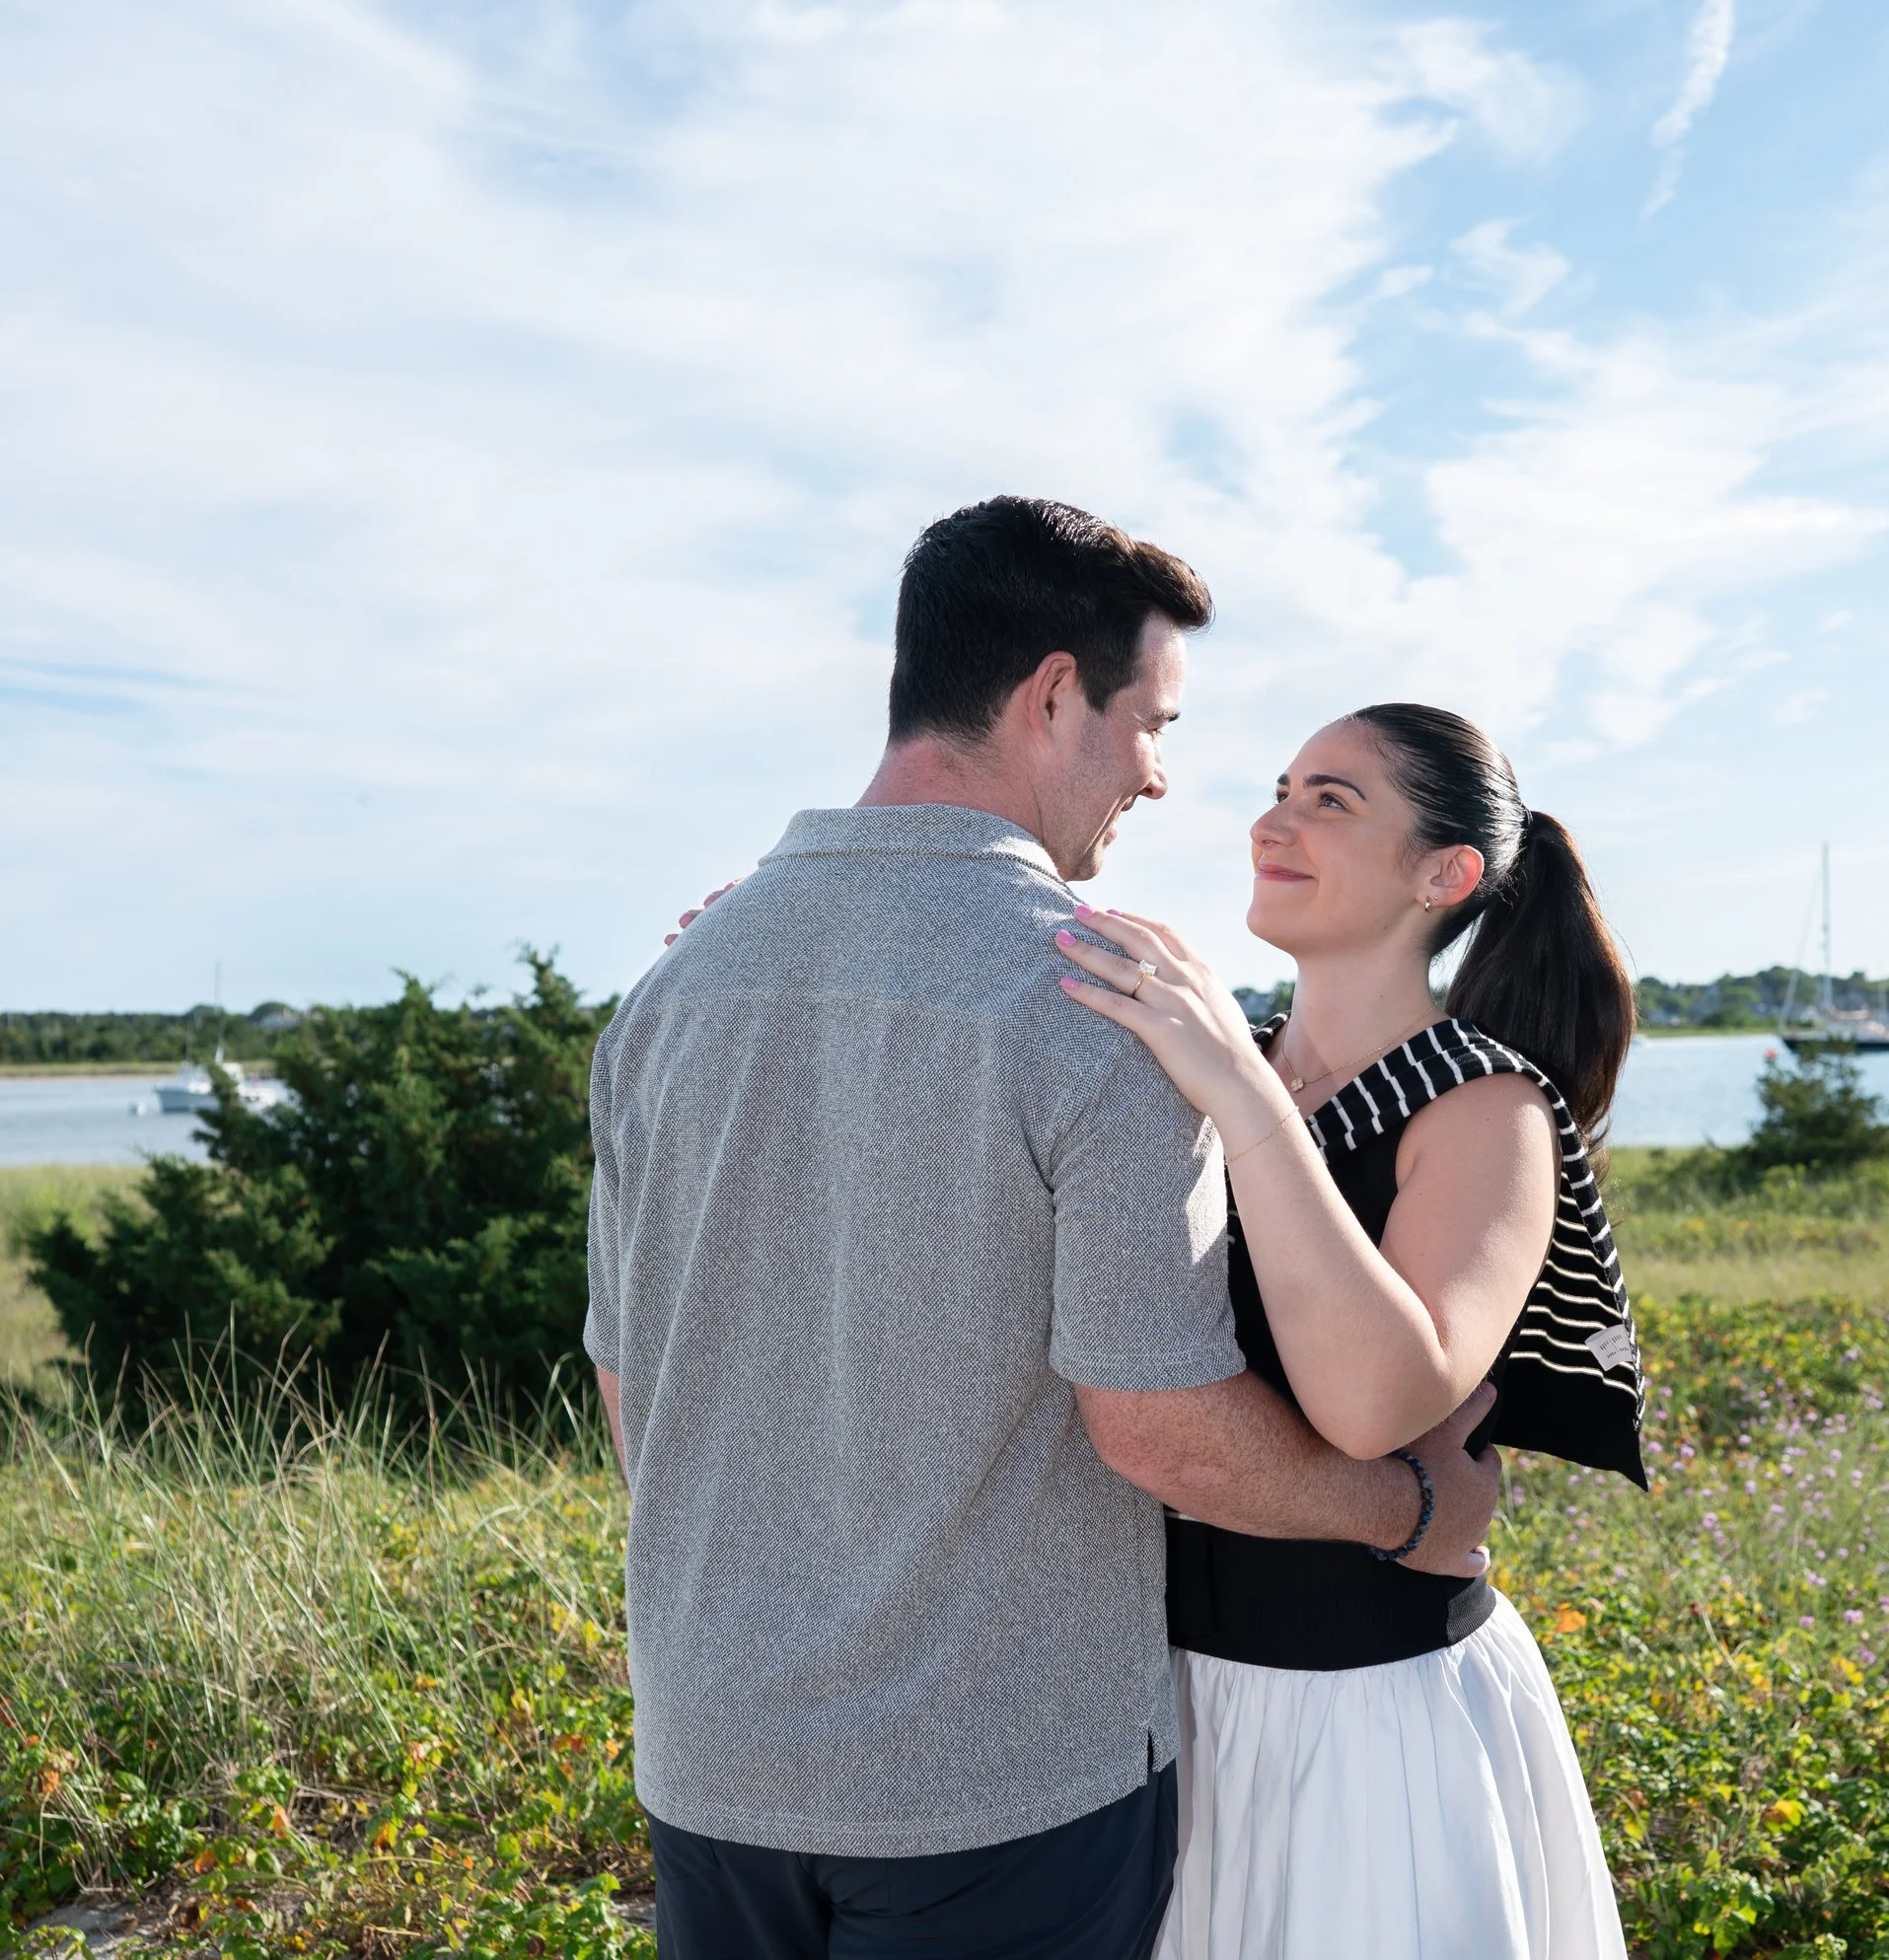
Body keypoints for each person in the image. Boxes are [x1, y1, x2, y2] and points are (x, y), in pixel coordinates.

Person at [585, 498, 1499, 1960]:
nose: (1156, 775)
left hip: (711, 1762)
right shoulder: (1098, 1006)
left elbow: (637, 1397)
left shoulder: (673, 993)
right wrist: (1402, 1511)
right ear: (1053, 694)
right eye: (1154, 723)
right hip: (995, 1785)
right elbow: (1157, 1429)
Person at [1052, 700, 1645, 1960]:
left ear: (1447, 875)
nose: (1276, 819)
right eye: (1281, 786)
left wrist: (1236, 1088)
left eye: (1334, 799)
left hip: (1368, 1717)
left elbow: (1378, 1401)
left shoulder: (1486, 1105)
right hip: (1154, 1713)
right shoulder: (1208, 1056)